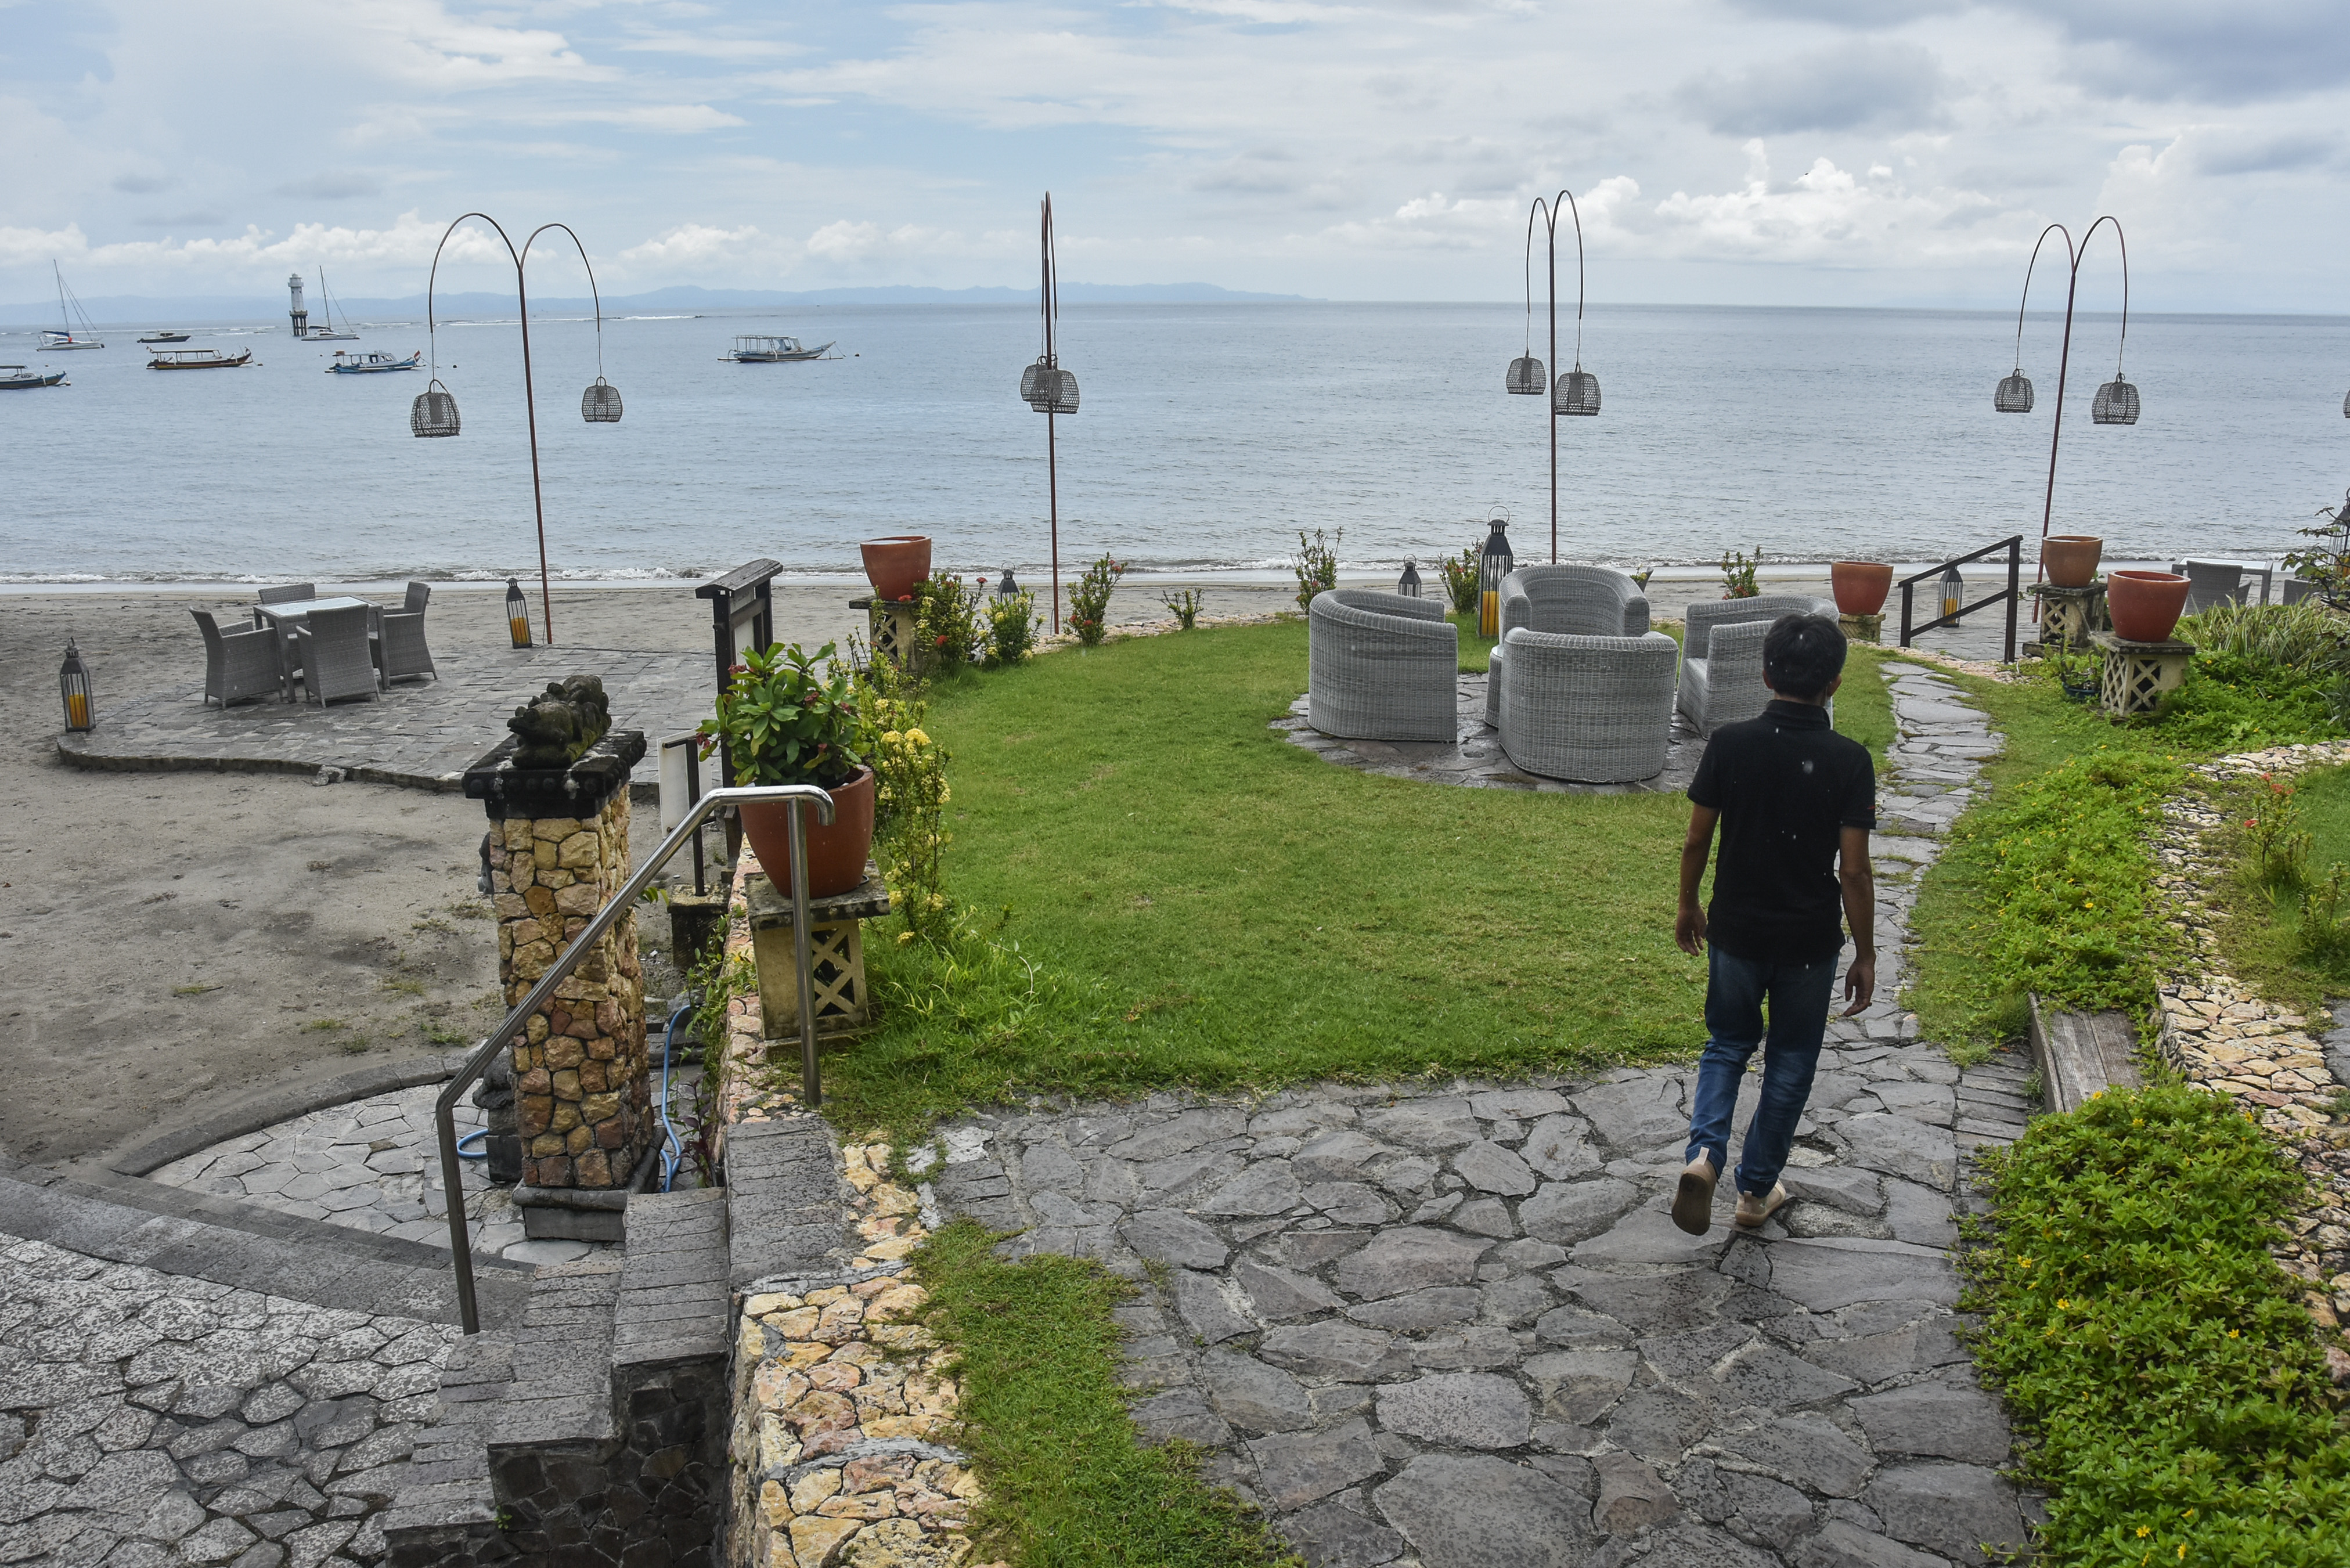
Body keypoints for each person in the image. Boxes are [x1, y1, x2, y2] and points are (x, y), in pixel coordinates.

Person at [1671, 612, 1876, 1236]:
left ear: (1765, 673)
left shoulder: (1731, 744)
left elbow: (1697, 838)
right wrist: (1864, 953)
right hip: (1807, 943)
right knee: (1789, 1061)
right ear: (1834, 683)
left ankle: (1704, 1155)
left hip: (1735, 928)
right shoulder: (1849, 760)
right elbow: (1854, 872)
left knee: (1726, 1044)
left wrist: (1688, 903)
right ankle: (1755, 1191)